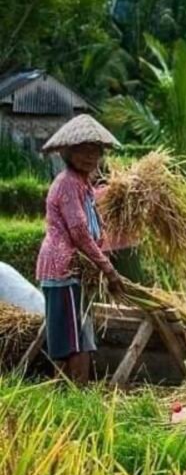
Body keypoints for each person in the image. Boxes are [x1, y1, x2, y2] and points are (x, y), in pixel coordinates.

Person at [35, 114, 124, 384]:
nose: (89, 157)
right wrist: (108, 270)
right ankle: (72, 397)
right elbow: (79, 232)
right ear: (68, 153)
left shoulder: (83, 183)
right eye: (83, 152)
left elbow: (94, 220)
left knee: (80, 335)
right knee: (72, 340)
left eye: (95, 152)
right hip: (63, 268)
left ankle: (75, 396)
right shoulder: (67, 184)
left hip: (75, 269)